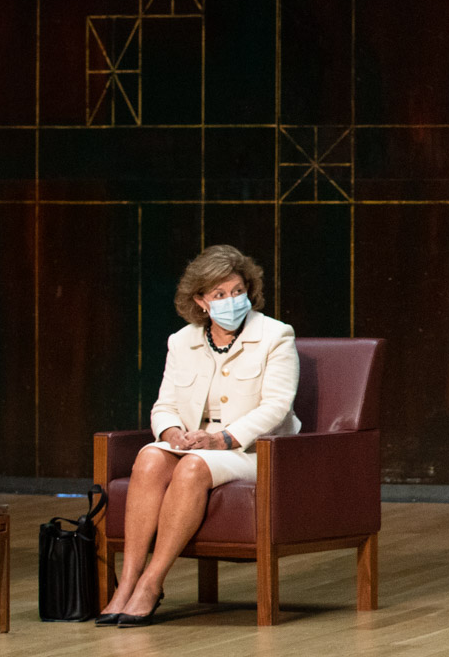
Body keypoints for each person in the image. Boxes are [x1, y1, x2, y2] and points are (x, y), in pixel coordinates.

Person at [98, 245, 299, 627]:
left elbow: (276, 407)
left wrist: (222, 440)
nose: (231, 300)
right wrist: (172, 433)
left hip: (253, 450)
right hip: (196, 443)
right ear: (201, 301)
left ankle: (151, 583)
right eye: (219, 294)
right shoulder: (182, 340)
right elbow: (165, 405)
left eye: (237, 291)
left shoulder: (275, 335)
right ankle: (127, 582)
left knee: (192, 468)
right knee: (150, 457)